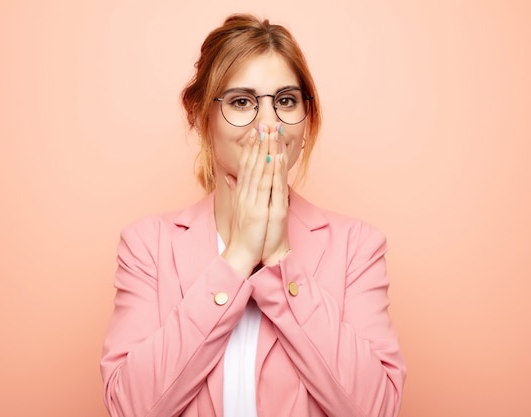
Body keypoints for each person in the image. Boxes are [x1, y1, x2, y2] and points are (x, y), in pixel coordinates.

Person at [100, 13, 406, 417]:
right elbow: (129, 407)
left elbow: (377, 409)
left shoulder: (357, 247)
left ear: (306, 117)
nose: (268, 124)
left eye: (285, 101)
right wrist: (238, 258)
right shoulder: (146, 247)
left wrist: (280, 260)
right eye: (242, 102)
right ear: (198, 116)